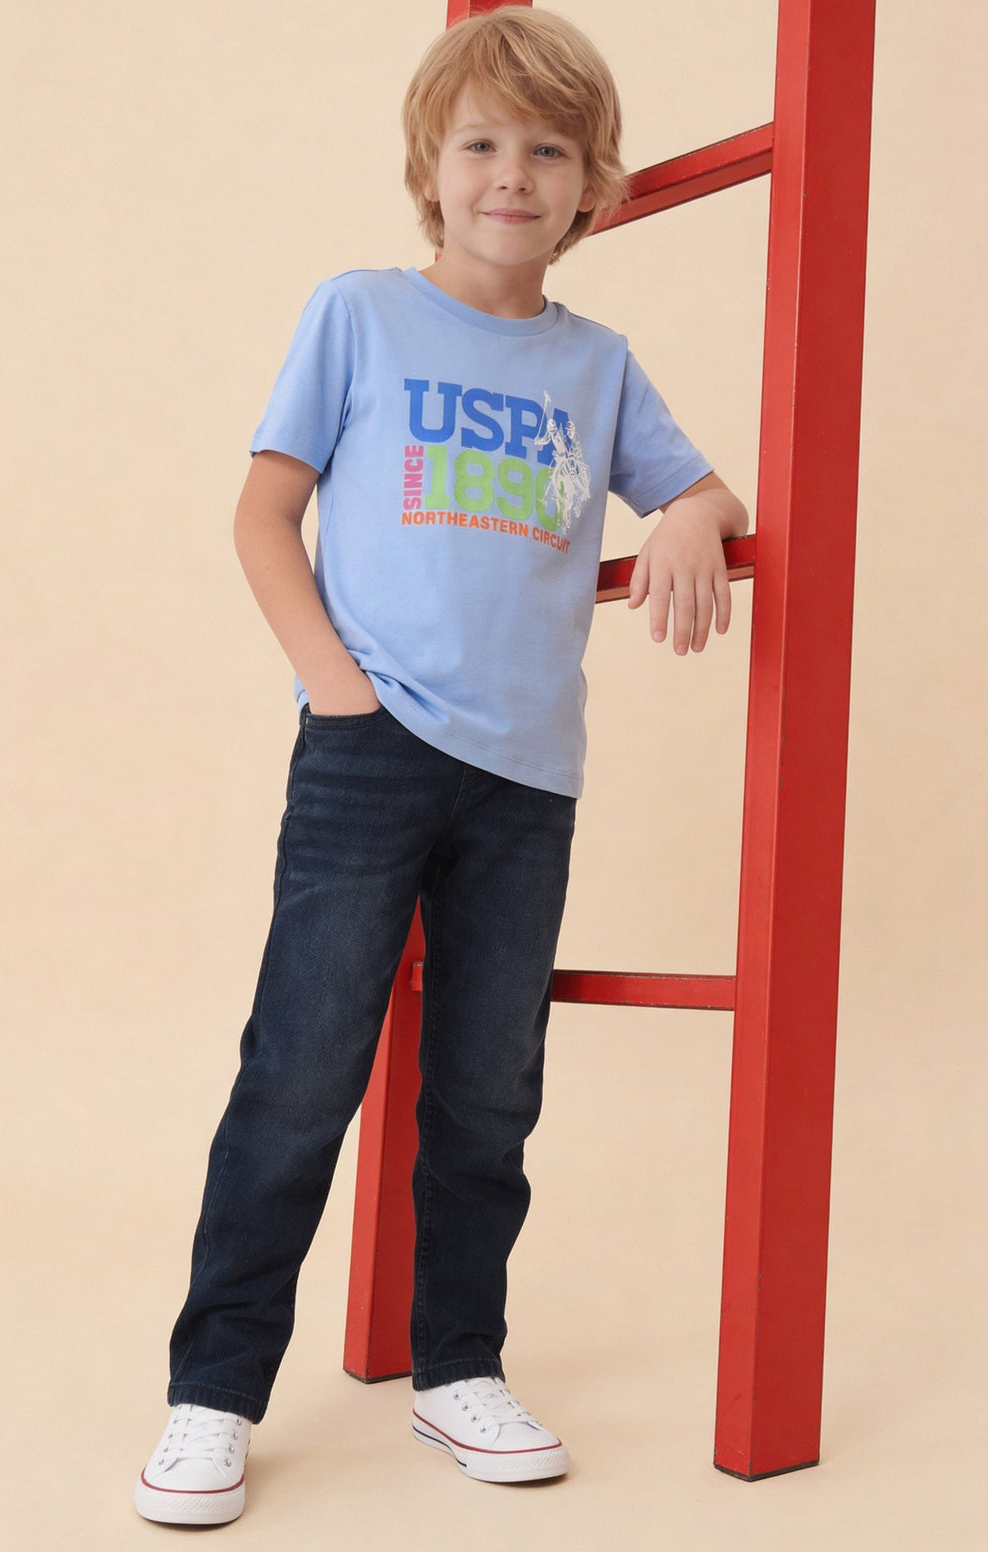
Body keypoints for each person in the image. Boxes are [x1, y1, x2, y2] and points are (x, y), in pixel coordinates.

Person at [135, 5, 748, 1526]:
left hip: (528, 781)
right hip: (372, 753)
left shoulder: (598, 364)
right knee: (300, 1074)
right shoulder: (359, 315)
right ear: (430, 170)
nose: (512, 175)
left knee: (486, 1093)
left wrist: (687, 512)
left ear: (593, 185)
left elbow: (706, 488)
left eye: (549, 150)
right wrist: (340, 697)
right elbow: (263, 514)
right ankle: (214, 1393)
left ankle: (458, 1366)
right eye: (481, 144)